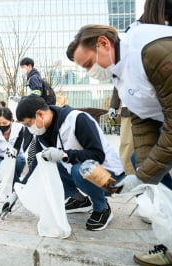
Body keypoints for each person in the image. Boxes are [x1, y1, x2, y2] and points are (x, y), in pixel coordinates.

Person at [66, 16, 172, 264]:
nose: (89, 73)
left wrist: (145, 176)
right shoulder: (119, 71)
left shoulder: (152, 52)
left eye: (88, 64)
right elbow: (141, 121)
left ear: (103, 43)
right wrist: (143, 176)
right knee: (140, 160)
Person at [16, 95, 124, 231]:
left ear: (40, 114)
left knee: (80, 169)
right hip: (80, 171)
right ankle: (80, 200)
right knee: (50, 166)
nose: (28, 128)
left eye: (28, 123)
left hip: (110, 178)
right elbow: (36, 164)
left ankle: (102, 207)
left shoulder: (77, 120)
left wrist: (64, 154)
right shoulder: (42, 134)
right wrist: (21, 188)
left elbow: (98, 155)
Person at [108, 88, 135, 175]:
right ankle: (129, 174)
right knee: (128, 144)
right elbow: (117, 85)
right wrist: (113, 106)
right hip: (129, 111)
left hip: (153, 109)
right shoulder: (123, 73)